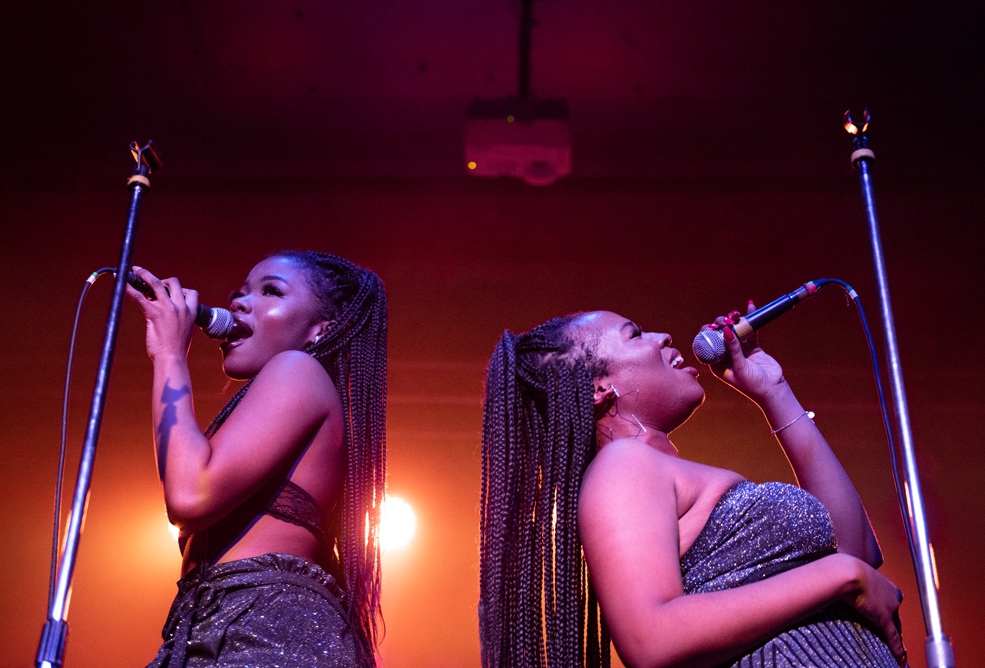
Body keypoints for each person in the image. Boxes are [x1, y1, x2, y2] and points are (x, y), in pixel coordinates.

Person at [478, 306, 905, 668]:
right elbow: (650, 639)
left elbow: (858, 553)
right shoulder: (623, 466)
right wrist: (840, 576)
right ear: (600, 389)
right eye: (636, 335)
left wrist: (773, 389)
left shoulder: (653, 472)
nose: (664, 337)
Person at [127, 251, 387, 668]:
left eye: (271, 291)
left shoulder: (297, 370)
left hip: (268, 629)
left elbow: (190, 495)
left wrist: (171, 356)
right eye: (241, 292)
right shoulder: (275, 395)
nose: (239, 303)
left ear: (323, 329)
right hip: (216, 624)